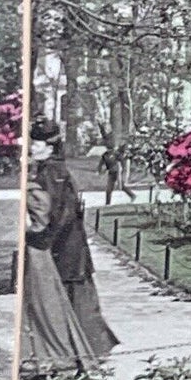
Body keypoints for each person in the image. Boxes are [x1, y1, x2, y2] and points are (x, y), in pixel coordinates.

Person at [30, 120, 117, 358]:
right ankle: (90, 353)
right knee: (80, 302)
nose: (31, 148)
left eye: (35, 144)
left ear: (49, 147)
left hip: (64, 248)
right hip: (72, 246)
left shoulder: (51, 173)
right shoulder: (57, 170)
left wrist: (39, 239)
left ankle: (82, 355)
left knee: (72, 302)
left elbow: (60, 215)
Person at [21, 148, 100, 374]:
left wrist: (34, 233)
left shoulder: (43, 184)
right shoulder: (47, 179)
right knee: (48, 304)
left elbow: (45, 219)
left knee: (48, 304)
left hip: (44, 251)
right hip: (47, 250)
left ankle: (59, 356)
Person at [99, 138, 135, 205]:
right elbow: (102, 163)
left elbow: (122, 162)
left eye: (110, 148)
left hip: (118, 172)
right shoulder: (105, 155)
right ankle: (107, 203)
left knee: (121, 186)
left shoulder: (116, 154)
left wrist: (122, 171)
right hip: (111, 173)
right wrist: (100, 170)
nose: (110, 149)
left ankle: (132, 195)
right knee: (109, 189)